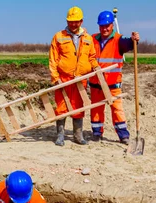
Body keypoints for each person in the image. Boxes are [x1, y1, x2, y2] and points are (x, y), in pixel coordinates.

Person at [49, 6, 99, 146]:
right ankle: (60, 136)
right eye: (71, 21)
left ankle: (78, 135)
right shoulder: (59, 37)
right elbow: (53, 59)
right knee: (61, 107)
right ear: (67, 21)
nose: (73, 24)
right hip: (63, 79)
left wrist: (96, 66)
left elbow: (92, 57)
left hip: (80, 79)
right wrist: (55, 77)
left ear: (81, 21)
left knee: (78, 107)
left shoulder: (88, 38)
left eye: (76, 21)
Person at [89, 10, 140, 144]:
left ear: (112, 25)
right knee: (96, 110)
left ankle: (123, 135)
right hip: (96, 84)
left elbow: (128, 44)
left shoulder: (118, 40)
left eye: (107, 25)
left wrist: (134, 40)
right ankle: (96, 133)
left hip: (112, 84)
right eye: (102, 26)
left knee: (117, 110)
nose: (104, 28)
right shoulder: (92, 39)